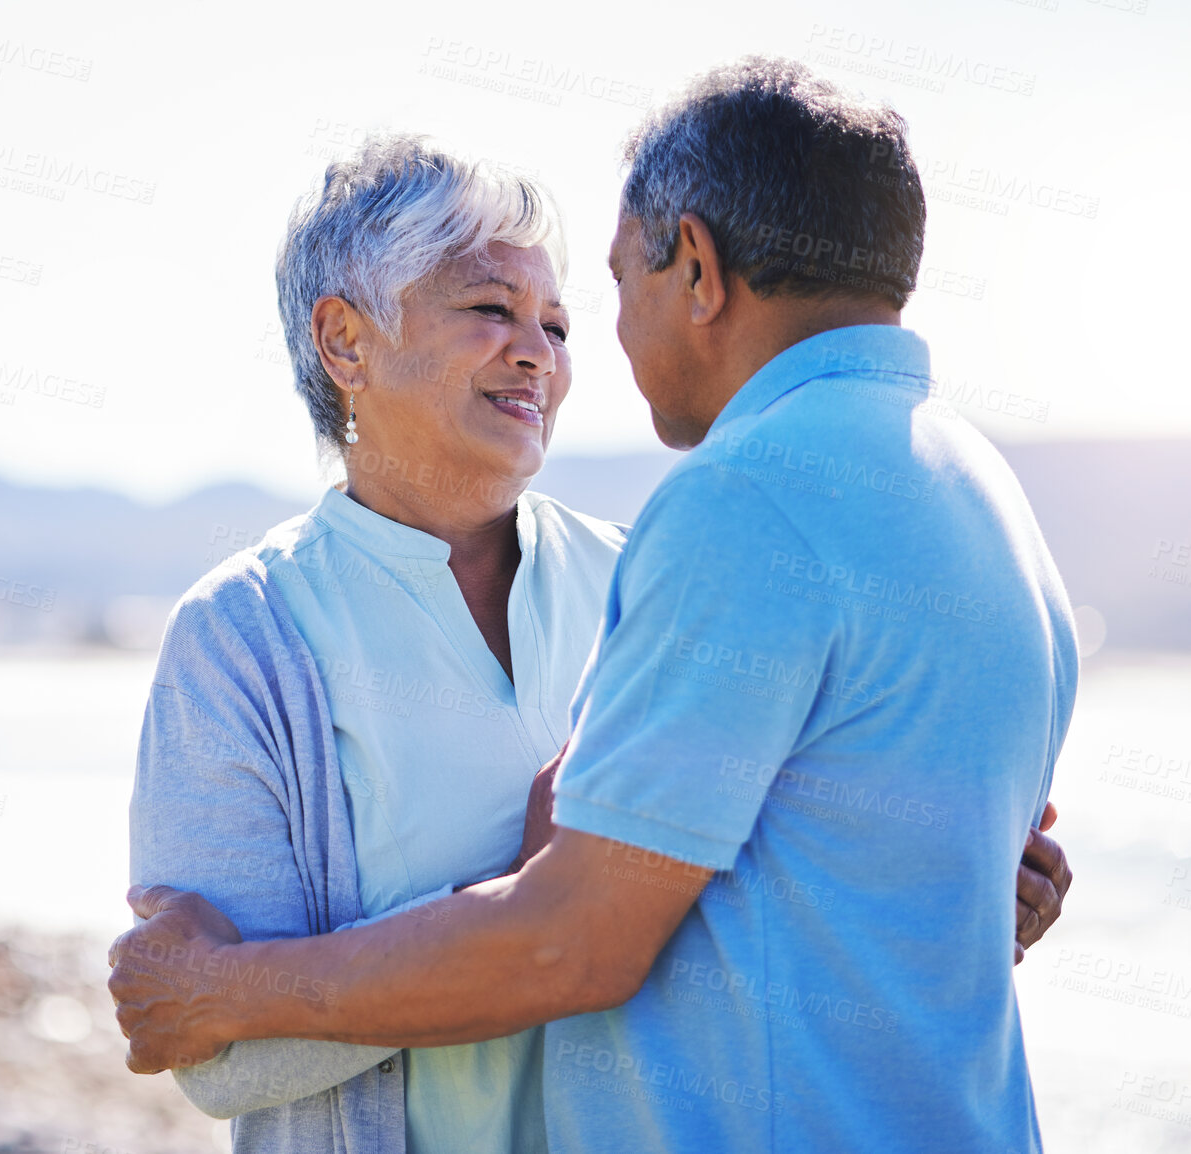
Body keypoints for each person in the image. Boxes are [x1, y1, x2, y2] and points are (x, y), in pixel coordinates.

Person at [121, 75, 1073, 1154]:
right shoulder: (241, 639)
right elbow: (216, 1053)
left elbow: (604, 931)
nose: (547, 353)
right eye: (492, 309)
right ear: (344, 341)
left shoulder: (659, 563)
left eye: (562, 320)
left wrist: (943, 877)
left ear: (698, 272)